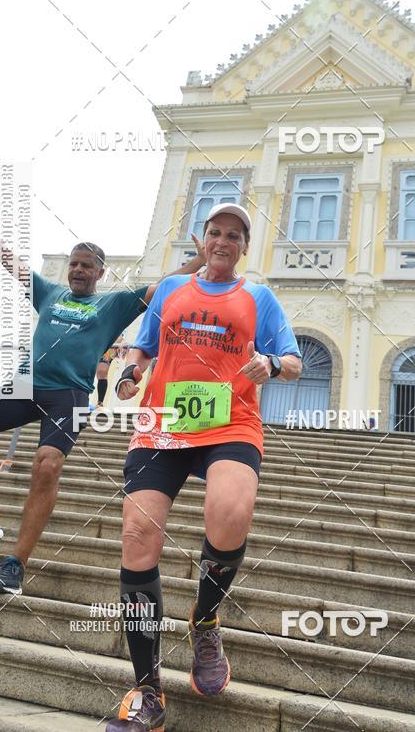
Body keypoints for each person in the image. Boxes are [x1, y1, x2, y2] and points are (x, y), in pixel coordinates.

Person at [0, 201, 205, 596]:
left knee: (47, 464)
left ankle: (16, 564)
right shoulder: (51, 293)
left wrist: (199, 260)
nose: (77, 269)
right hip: (26, 384)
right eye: (74, 263)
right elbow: (17, 266)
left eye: (86, 265)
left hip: (71, 394)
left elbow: (163, 285)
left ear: (99, 272)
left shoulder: (111, 304)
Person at [107, 203, 302, 731]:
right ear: (205, 239)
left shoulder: (258, 297)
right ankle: (147, 691)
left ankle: (205, 618)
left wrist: (271, 364)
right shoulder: (172, 290)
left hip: (231, 422)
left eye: (233, 234)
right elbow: (142, 348)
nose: (222, 239)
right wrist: (128, 374)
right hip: (163, 424)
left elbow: (294, 358)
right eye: (215, 231)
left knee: (231, 511)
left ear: (243, 246)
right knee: (137, 535)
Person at [96, 335, 127, 407]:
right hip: (94, 337)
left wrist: (119, 340)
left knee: (102, 371)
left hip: (111, 340)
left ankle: (100, 402)